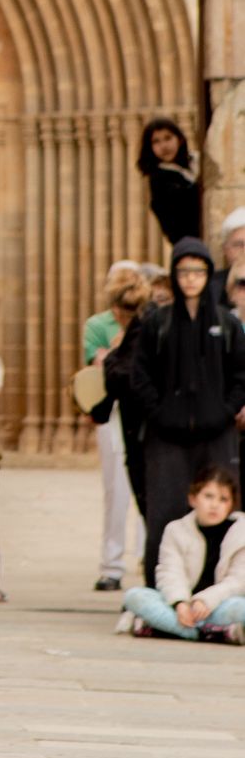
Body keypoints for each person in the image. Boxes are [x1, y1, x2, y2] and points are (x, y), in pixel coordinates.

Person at [129, 238, 245, 584]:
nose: (191, 279)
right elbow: (141, 374)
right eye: (184, 271)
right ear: (174, 274)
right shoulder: (158, 323)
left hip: (216, 433)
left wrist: (224, 412)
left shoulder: (226, 324)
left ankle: (220, 589)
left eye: (198, 271)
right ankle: (162, 589)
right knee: (165, 510)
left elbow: (241, 375)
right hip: (167, 435)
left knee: (220, 510)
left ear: (207, 274)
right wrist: (160, 413)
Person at [81, 263, 148, 593]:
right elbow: (96, 365)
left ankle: (148, 557)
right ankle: (112, 564)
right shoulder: (97, 324)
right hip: (115, 410)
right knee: (116, 489)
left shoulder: (150, 322)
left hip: (145, 410)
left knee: (152, 485)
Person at [122, 468, 245, 642]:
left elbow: (238, 581)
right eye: (208, 496)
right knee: (135, 596)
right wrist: (180, 603)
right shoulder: (176, 530)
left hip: (220, 605)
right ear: (193, 499)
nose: (214, 505)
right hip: (182, 607)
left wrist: (206, 601)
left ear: (231, 505)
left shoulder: (241, 533)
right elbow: (169, 572)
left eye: (223, 499)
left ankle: (162, 628)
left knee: (241, 608)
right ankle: (211, 633)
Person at [137, 120, 202, 250]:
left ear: (179, 138)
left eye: (168, 138)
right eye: (156, 141)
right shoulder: (159, 180)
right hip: (190, 247)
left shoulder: (198, 161)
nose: (164, 146)